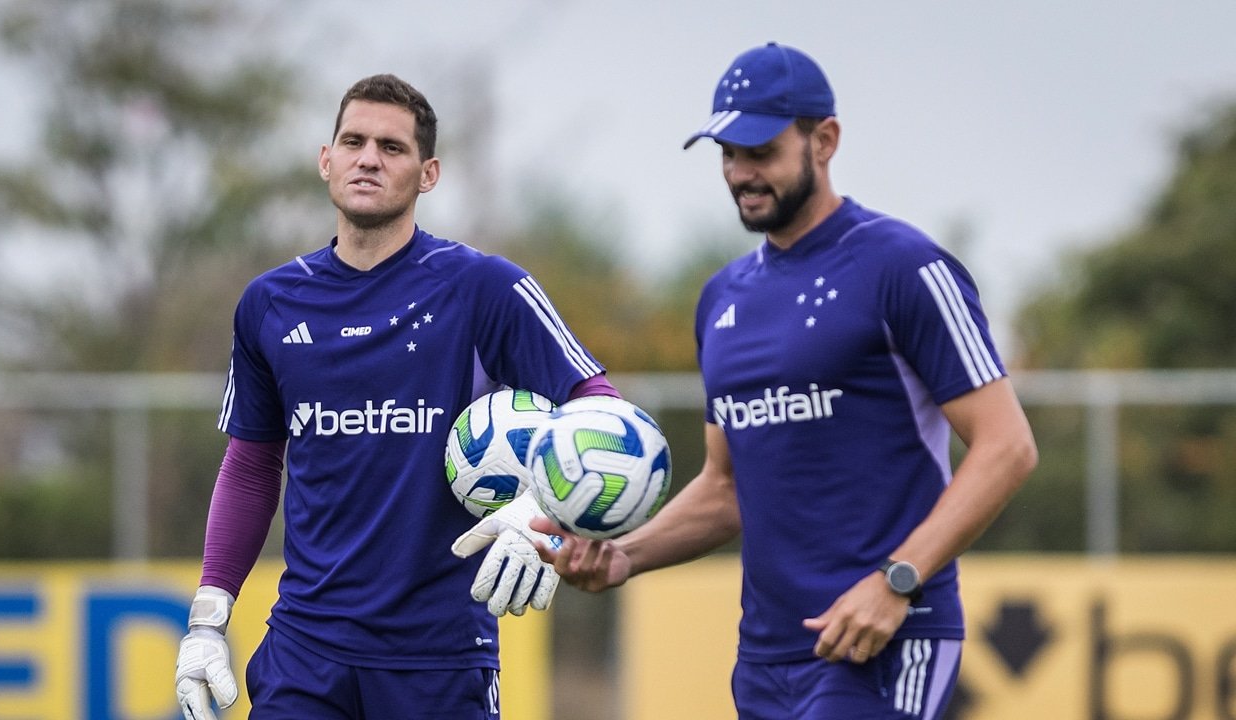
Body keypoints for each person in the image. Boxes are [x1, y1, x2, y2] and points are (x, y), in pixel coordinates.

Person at [533, 42, 1038, 719]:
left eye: (760, 150)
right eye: (727, 154)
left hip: (887, 640)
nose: (741, 172)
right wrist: (624, 555)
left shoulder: (905, 267)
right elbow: (725, 488)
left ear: (824, 140)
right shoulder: (720, 300)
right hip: (767, 660)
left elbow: (1007, 447)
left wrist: (897, 582)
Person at [173, 73, 617, 720]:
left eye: (392, 146)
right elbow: (250, 464)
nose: (368, 158)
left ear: (428, 173)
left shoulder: (485, 288)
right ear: (326, 160)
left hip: (439, 658)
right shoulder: (268, 303)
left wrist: (541, 510)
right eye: (352, 141)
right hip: (304, 652)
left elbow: (600, 407)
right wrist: (209, 617)